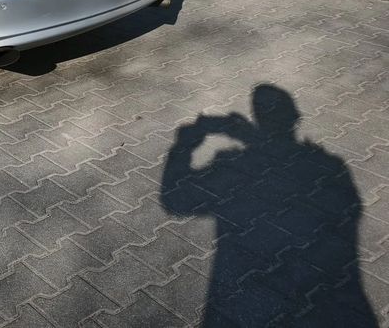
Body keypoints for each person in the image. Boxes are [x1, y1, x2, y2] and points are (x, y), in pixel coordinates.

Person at [160, 84, 377, 327]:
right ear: (295, 117)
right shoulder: (330, 167)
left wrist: (184, 145)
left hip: (243, 299)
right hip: (336, 305)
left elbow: (175, 201)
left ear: (256, 119)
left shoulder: (235, 165)